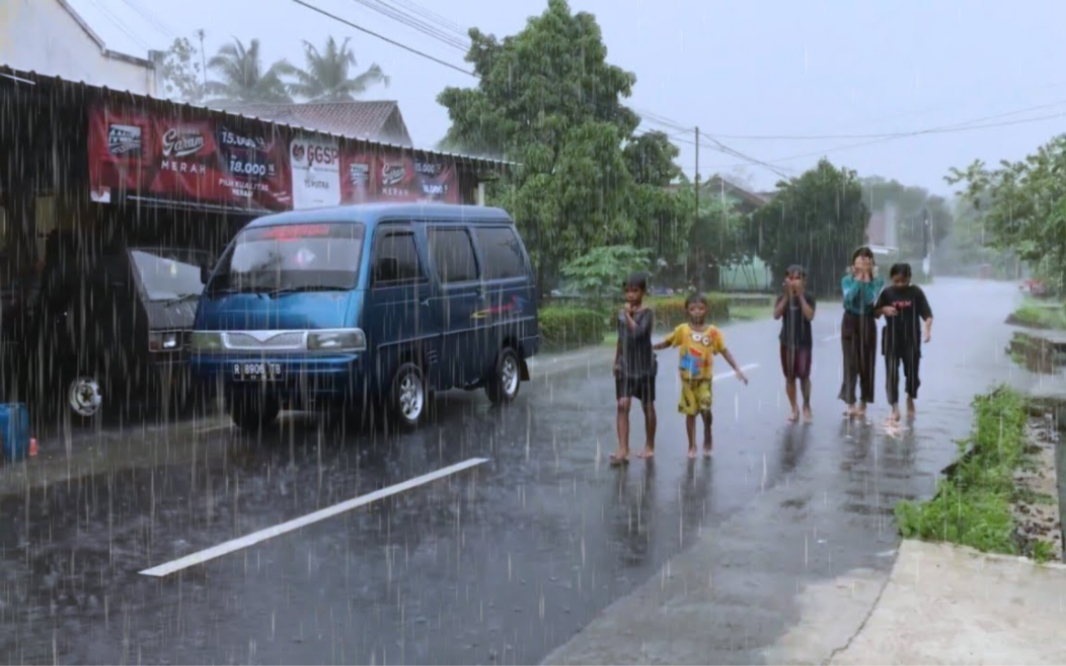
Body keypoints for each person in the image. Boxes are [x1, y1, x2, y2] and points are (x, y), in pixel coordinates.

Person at [654, 293, 748, 458]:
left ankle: (707, 431)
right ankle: (692, 445)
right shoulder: (682, 330)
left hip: (705, 380)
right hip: (687, 380)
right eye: (692, 309)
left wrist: (737, 369)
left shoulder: (713, 332)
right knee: (690, 413)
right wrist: (652, 347)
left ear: (706, 310)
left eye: (700, 308)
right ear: (687, 311)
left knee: (705, 409)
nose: (697, 312)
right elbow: (668, 342)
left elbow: (724, 350)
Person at [875, 263, 933, 422]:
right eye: (896, 281)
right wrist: (883, 310)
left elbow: (927, 313)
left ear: (909, 278)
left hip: (911, 338)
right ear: (891, 279)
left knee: (912, 373)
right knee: (892, 374)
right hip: (892, 339)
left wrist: (928, 329)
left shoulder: (916, 292)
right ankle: (894, 406)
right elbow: (875, 313)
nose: (900, 285)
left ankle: (910, 397)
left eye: (903, 281)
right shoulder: (887, 293)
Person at [612, 273, 657, 464]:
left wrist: (629, 316)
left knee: (647, 406)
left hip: (644, 367)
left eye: (635, 291)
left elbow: (638, 333)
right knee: (622, 405)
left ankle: (649, 444)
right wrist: (616, 360)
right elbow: (621, 338)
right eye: (627, 291)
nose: (630, 295)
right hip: (626, 366)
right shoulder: (621, 314)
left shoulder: (647, 313)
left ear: (643, 292)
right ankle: (623, 448)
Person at [839, 247, 884, 419]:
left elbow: (868, 300)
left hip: (867, 321)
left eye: (867, 259)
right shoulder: (846, 280)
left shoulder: (878, 281)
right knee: (850, 363)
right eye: (860, 259)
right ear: (853, 263)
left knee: (867, 363)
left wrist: (866, 279)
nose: (864, 262)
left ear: (872, 263)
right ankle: (850, 402)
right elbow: (849, 298)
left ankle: (864, 401)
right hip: (850, 321)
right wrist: (858, 280)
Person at [774, 265, 816, 423]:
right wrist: (787, 296)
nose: (794, 282)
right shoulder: (782, 297)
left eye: (797, 278)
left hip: (804, 342)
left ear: (803, 281)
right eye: (790, 278)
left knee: (804, 376)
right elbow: (776, 315)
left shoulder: (809, 297)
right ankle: (794, 408)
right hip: (786, 342)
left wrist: (800, 296)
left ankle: (806, 405)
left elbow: (810, 315)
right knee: (789, 377)